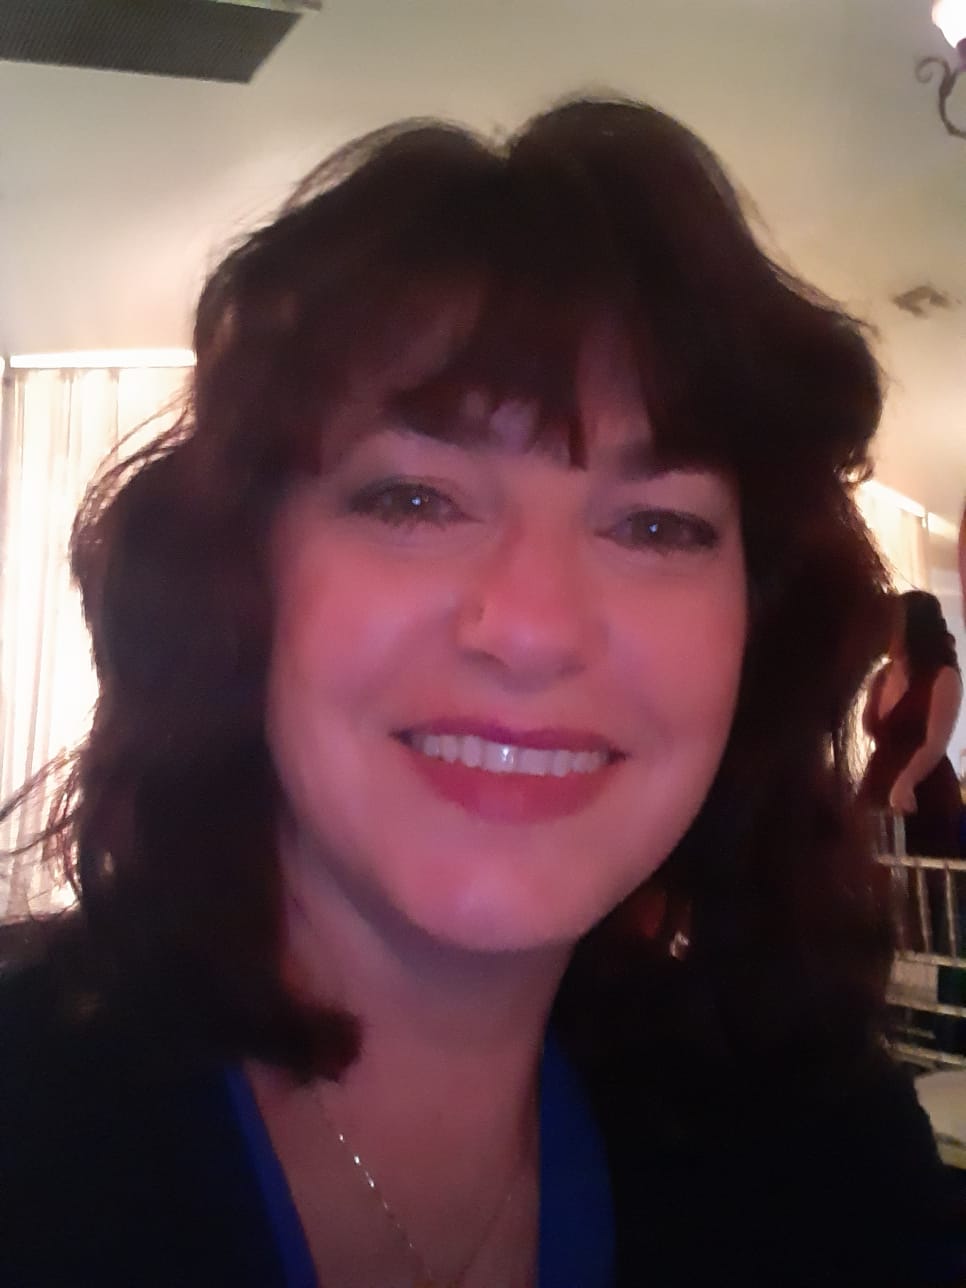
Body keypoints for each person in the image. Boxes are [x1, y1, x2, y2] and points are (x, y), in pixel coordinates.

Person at [1, 96, 963, 1288]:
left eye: (656, 524)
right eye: (414, 499)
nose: (532, 627)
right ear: (240, 584)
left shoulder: (827, 1164)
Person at [860, 590, 962, 860]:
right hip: (879, 783)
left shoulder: (943, 676)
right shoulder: (881, 677)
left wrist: (906, 781)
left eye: (895, 625)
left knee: (926, 868)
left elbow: (935, 743)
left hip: (926, 789)